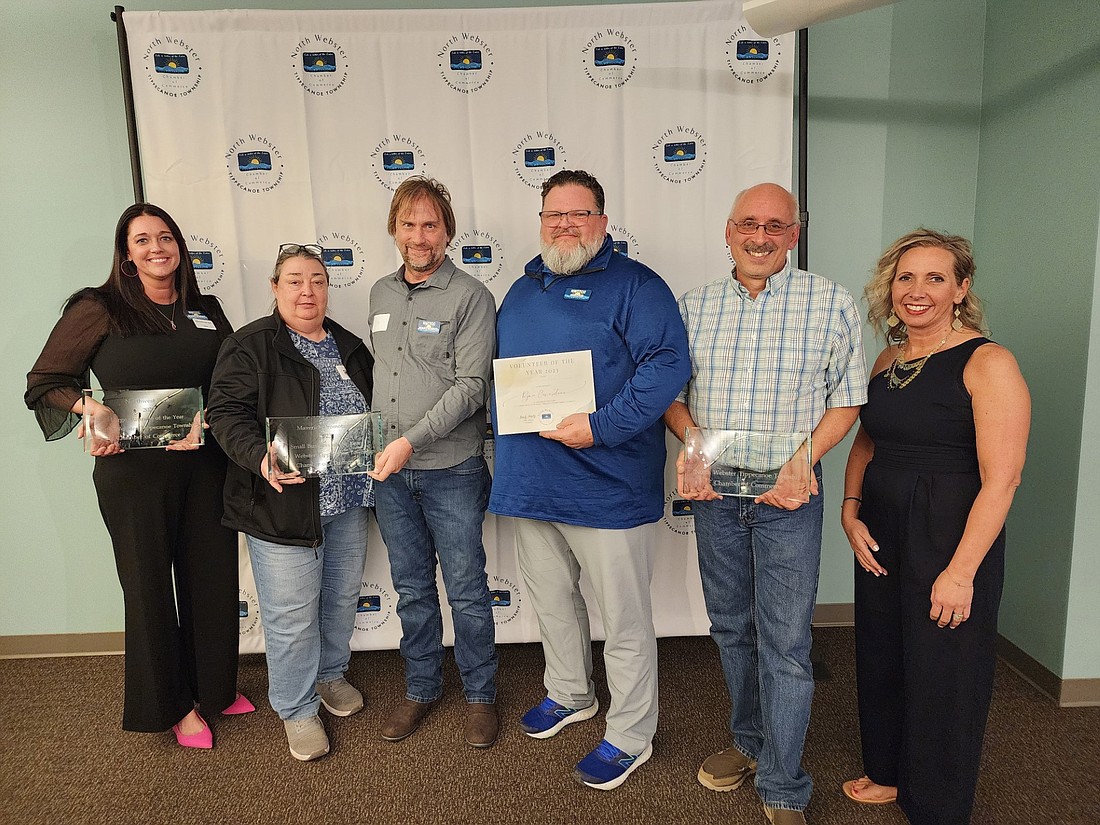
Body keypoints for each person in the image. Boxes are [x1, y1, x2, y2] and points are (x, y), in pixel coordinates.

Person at [664, 183, 866, 825]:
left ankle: (783, 783)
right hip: (717, 494)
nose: (760, 236)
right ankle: (749, 744)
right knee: (731, 627)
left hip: (789, 495)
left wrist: (801, 461)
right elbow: (669, 393)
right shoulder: (691, 307)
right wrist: (691, 444)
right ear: (728, 232)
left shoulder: (830, 302)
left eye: (775, 226)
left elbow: (848, 399)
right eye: (748, 224)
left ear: (794, 234)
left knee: (783, 640)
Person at [491, 169, 691, 790]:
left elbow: (667, 366)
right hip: (533, 481)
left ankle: (631, 733)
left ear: (603, 223)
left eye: (579, 215)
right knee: (552, 602)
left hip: (607, 484)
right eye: (555, 215)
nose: (565, 225)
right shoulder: (521, 290)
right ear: (541, 221)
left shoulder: (638, 286)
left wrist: (602, 427)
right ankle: (571, 692)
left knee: (624, 619)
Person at [25, 203, 251, 749]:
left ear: (179, 247)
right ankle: (171, 707)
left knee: (211, 575)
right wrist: (90, 409)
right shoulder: (98, 307)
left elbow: (229, 379)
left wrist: (212, 417)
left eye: (166, 237)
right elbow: (44, 380)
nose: (157, 248)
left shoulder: (206, 308)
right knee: (149, 584)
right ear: (126, 253)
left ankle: (214, 688)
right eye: (143, 239)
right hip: (134, 470)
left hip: (203, 461)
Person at [839, 230, 1029, 824]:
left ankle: (938, 804)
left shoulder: (988, 361)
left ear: (961, 288)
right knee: (884, 649)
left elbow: (1002, 480)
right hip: (882, 523)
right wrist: (849, 507)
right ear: (889, 288)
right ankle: (891, 772)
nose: (916, 291)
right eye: (905, 278)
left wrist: (962, 571)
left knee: (943, 665)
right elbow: (869, 437)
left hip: (950, 531)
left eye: (935, 278)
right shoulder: (889, 357)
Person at [206, 243, 374, 762]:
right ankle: (297, 709)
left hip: (345, 499)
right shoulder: (250, 345)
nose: (307, 290)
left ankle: (329, 676)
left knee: (341, 598)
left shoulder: (349, 345)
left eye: (318, 280)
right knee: (291, 615)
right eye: (295, 280)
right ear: (275, 288)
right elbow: (226, 413)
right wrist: (260, 458)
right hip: (280, 504)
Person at [366, 176, 499, 748]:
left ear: (447, 231)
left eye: (430, 225)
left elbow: (472, 386)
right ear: (394, 229)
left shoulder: (472, 296)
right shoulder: (379, 293)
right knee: (413, 587)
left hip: (451, 468)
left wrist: (409, 442)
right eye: (408, 224)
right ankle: (421, 688)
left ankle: (479, 694)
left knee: (467, 589)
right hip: (389, 474)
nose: (419, 236)